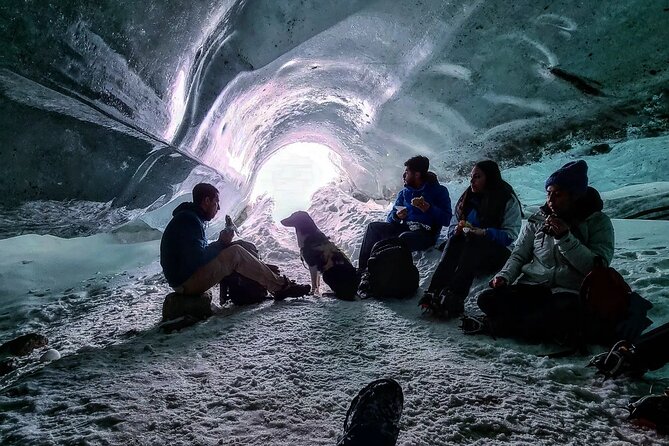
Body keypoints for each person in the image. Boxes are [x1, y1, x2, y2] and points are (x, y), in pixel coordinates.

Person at [477, 160, 614, 342]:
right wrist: (505, 276)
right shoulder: (539, 219)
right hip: (535, 286)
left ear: (574, 196)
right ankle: (528, 325)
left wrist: (565, 238)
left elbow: (598, 268)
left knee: (545, 319)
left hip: (571, 290)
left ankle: (510, 324)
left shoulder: (598, 222)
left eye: (558, 194)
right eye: (549, 194)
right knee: (487, 299)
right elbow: (519, 254)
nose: (550, 200)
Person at [160, 183, 310, 300]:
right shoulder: (189, 220)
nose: (218, 207)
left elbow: (195, 254)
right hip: (186, 283)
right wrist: (220, 243)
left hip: (187, 276)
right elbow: (197, 260)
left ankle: (263, 279)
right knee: (235, 253)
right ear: (206, 201)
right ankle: (280, 287)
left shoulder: (190, 217)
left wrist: (223, 243)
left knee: (240, 246)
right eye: (216, 202)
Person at [420, 160, 522, 318]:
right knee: (454, 240)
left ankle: (455, 296)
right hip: (468, 251)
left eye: (477, 177)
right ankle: (434, 290)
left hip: (497, 253)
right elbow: (453, 225)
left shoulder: (506, 199)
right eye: (471, 177)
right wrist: (457, 230)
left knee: (476, 241)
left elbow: (511, 235)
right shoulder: (467, 198)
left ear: (490, 178)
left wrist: (485, 232)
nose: (472, 181)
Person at [357, 156, 452, 271]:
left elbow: (446, 220)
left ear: (417, 174)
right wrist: (397, 216)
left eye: (407, 172)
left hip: (425, 234)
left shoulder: (439, 191)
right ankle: (362, 269)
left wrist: (429, 209)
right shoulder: (403, 193)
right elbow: (390, 218)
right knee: (373, 227)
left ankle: (381, 271)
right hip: (403, 227)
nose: (404, 175)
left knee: (403, 238)